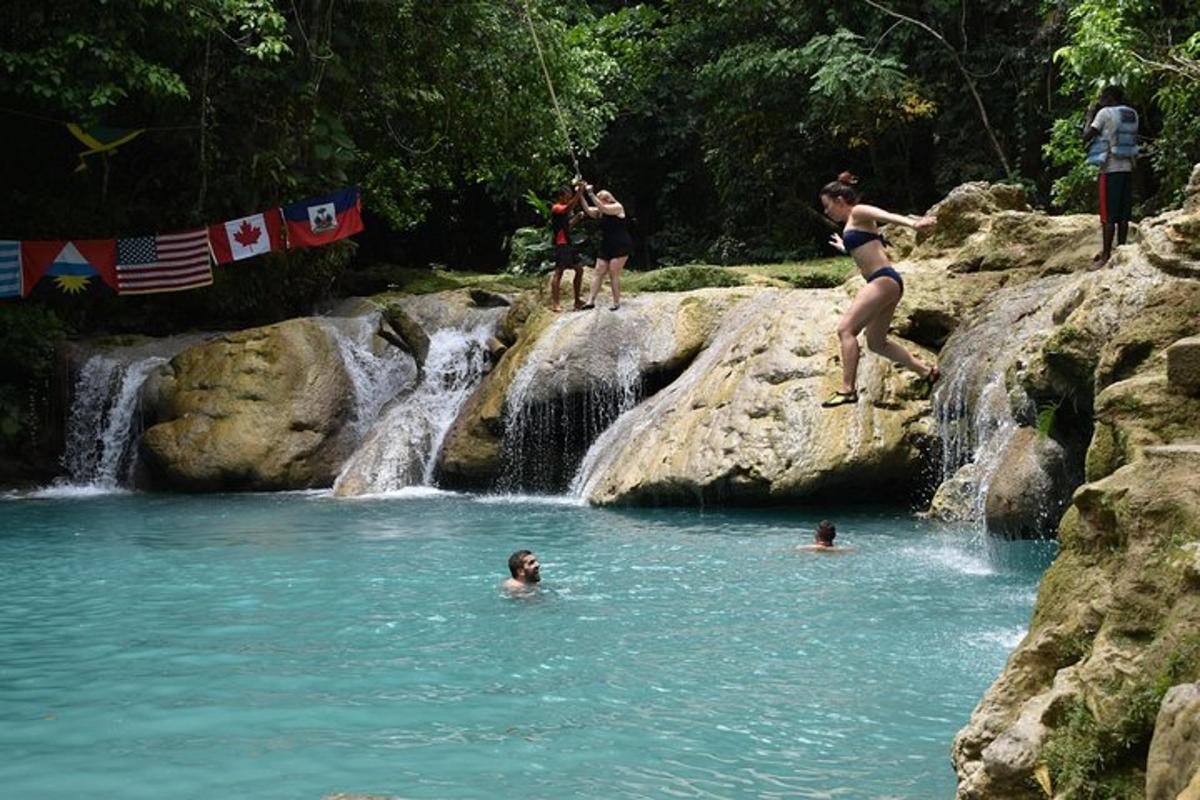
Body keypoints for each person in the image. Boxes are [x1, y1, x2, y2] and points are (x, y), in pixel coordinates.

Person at [818, 172, 939, 408]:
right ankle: (927, 372)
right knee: (875, 342)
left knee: (845, 330)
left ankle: (847, 390)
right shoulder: (852, 226)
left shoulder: (859, 212)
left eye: (827, 206)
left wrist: (914, 224)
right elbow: (867, 247)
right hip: (887, 283)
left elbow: (886, 216)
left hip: (882, 281)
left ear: (839, 201)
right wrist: (845, 246)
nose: (826, 211)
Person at [1083, 85, 1139, 268]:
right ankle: (1121, 249)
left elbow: (1086, 136)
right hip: (1128, 167)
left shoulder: (1105, 113)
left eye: (1102, 98)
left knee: (1108, 215)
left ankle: (1106, 255)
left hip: (1110, 168)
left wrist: (1090, 114)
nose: (1100, 101)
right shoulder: (1132, 113)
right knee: (1123, 214)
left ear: (1109, 98)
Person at [577, 181, 632, 311]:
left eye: (600, 200)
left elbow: (603, 208)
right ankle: (591, 301)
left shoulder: (617, 207)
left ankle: (616, 302)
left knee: (614, 272)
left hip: (620, 244)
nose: (597, 203)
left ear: (608, 199)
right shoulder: (601, 210)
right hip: (606, 244)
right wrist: (580, 194)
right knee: (598, 270)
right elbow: (588, 210)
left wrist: (590, 193)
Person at [549, 185, 586, 312]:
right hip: (561, 244)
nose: (569, 198)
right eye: (567, 196)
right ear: (561, 197)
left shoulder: (564, 210)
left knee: (579, 270)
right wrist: (579, 193)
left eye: (570, 196)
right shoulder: (556, 207)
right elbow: (568, 208)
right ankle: (555, 303)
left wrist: (577, 218)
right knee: (559, 272)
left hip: (568, 243)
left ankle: (577, 301)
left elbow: (568, 226)